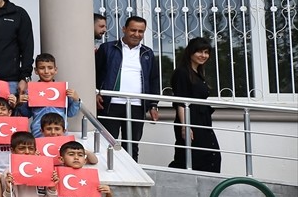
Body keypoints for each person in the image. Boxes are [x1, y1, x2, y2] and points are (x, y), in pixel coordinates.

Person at [95, 15, 160, 161]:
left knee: (132, 146)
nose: (137, 34)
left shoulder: (147, 52)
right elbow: (95, 73)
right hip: (110, 104)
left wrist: (153, 104)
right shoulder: (107, 48)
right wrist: (95, 92)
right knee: (107, 144)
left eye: (141, 31)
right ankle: (108, 179)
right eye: (133, 30)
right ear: (124, 29)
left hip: (137, 105)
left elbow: (153, 79)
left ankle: (131, 180)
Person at [169, 37, 221, 172]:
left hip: (203, 120)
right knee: (191, 158)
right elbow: (180, 101)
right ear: (190, 52)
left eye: (206, 52)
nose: (203, 56)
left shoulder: (198, 73)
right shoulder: (182, 72)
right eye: (199, 52)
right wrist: (186, 126)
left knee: (211, 157)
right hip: (190, 121)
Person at [20, 53, 81, 137]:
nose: (46, 71)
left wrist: (76, 100)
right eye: (42, 68)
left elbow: (71, 114)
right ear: (36, 71)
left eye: (50, 68)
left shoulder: (63, 89)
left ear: (55, 70)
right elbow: (26, 114)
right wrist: (21, 103)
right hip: (39, 132)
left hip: (59, 132)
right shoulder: (30, 90)